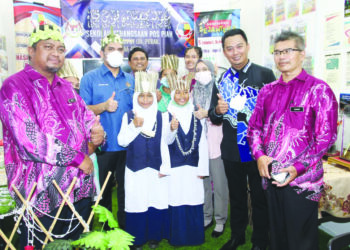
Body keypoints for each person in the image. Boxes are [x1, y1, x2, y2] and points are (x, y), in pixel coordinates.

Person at [0, 21, 105, 249]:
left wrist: (97, 131)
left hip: (79, 186)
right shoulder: (14, 86)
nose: (56, 54)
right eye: (48, 47)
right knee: (40, 244)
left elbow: (87, 117)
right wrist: (79, 158)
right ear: (31, 51)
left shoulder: (66, 87)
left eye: (60, 49)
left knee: (76, 242)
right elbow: (30, 141)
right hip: (40, 190)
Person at [247, 31, 338, 250]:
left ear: (302, 54)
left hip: (302, 182)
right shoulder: (267, 91)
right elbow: (254, 129)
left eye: (288, 51)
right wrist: (259, 156)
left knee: (300, 241)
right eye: (277, 52)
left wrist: (297, 167)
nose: (282, 56)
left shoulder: (319, 90)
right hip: (270, 177)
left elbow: (325, 138)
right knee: (276, 237)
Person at [208, 28, 276, 250]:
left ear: (247, 46)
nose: (235, 52)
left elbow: (275, 114)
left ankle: (260, 240)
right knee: (236, 197)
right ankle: (238, 235)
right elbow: (213, 115)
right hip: (231, 149)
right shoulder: (222, 79)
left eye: (239, 46)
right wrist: (218, 110)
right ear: (225, 52)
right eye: (229, 48)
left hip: (258, 151)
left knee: (259, 198)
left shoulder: (264, 75)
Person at [80, 27, 134, 229]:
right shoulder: (90, 78)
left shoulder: (130, 79)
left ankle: (126, 232)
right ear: (102, 52)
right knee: (102, 195)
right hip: (102, 146)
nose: (116, 53)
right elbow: (81, 110)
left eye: (120, 49)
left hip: (128, 147)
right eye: (111, 48)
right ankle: (106, 232)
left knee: (126, 193)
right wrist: (103, 107)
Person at [118, 71, 170, 250]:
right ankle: (137, 238)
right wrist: (134, 126)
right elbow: (122, 141)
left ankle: (154, 236)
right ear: (136, 97)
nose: (146, 100)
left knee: (155, 200)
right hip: (135, 168)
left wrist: (165, 167)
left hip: (156, 167)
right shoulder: (129, 116)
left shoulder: (161, 116)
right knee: (137, 201)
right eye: (142, 96)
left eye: (149, 96)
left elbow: (165, 143)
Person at [166, 75, 209, 246]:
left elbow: (203, 143)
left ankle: (194, 236)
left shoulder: (197, 114)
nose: (182, 96)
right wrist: (171, 129)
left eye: (185, 92)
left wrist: (203, 169)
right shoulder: (166, 114)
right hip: (174, 167)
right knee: (176, 198)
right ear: (173, 95)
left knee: (194, 198)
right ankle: (177, 237)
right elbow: (166, 142)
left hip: (193, 166)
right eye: (178, 93)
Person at [193, 60, 229, 238]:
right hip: (199, 144)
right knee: (204, 184)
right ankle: (206, 216)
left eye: (205, 69)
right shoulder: (193, 92)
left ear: (212, 71)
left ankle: (220, 220)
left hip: (217, 142)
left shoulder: (220, 90)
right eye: (198, 70)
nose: (201, 73)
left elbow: (223, 115)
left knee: (220, 184)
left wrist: (207, 113)